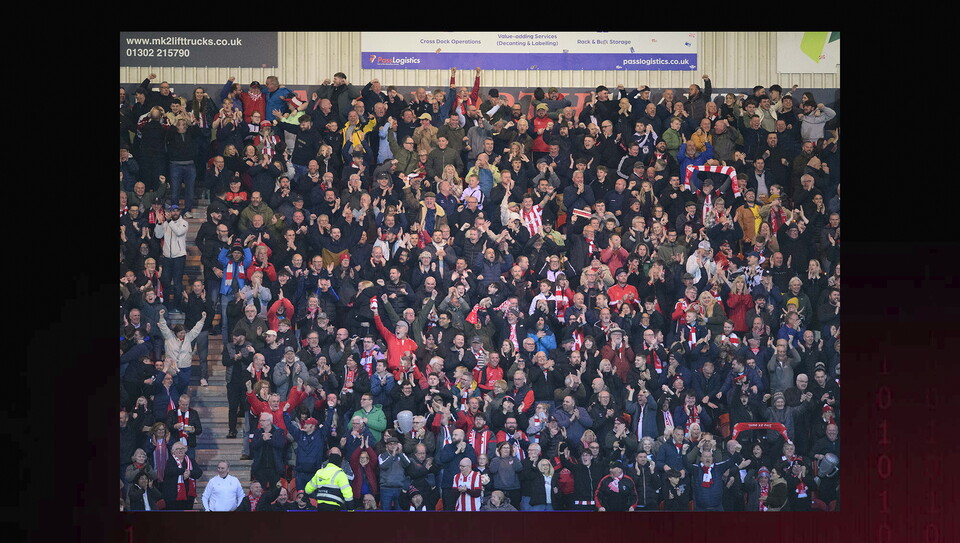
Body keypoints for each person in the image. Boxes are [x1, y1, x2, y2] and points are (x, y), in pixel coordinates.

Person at [160, 441, 203, 510]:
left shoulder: (191, 461)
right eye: (177, 449)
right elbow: (170, 471)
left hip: (188, 496)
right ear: (173, 451)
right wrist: (184, 471)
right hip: (173, 496)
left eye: (182, 448)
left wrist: (189, 473)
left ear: (185, 450)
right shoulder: (170, 461)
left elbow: (199, 472)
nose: (180, 450)